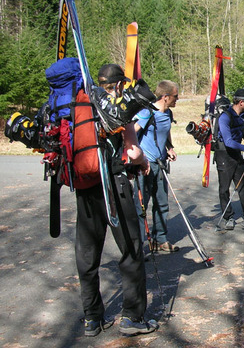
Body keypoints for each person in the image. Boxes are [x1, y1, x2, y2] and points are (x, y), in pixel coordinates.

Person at [78, 64, 158, 336]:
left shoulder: (84, 102)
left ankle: (92, 318)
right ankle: (132, 318)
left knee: (88, 253)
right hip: (114, 184)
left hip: (86, 185)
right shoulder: (117, 108)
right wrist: (144, 162)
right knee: (131, 249)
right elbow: (133, 151)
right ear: (120, 84)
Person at [133, 80, 179, 253]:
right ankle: (139, 245)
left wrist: (170, 148)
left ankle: (160, 240)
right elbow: (132, 133)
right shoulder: (146, 112)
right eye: (175, 96)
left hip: (160, 164)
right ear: (165, 97)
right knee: (141, 205)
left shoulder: (168, 114)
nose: (177, 99)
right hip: (144, 165)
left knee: (162, 203)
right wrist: (137, 159)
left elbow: (165, 132)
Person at [215, 88, 244, 232]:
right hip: (224, 154)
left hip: (236, 153)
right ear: (241, 102)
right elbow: (228, 141)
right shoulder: (225, 117)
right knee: (224, 188)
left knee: (243, 186)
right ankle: (228, 217)